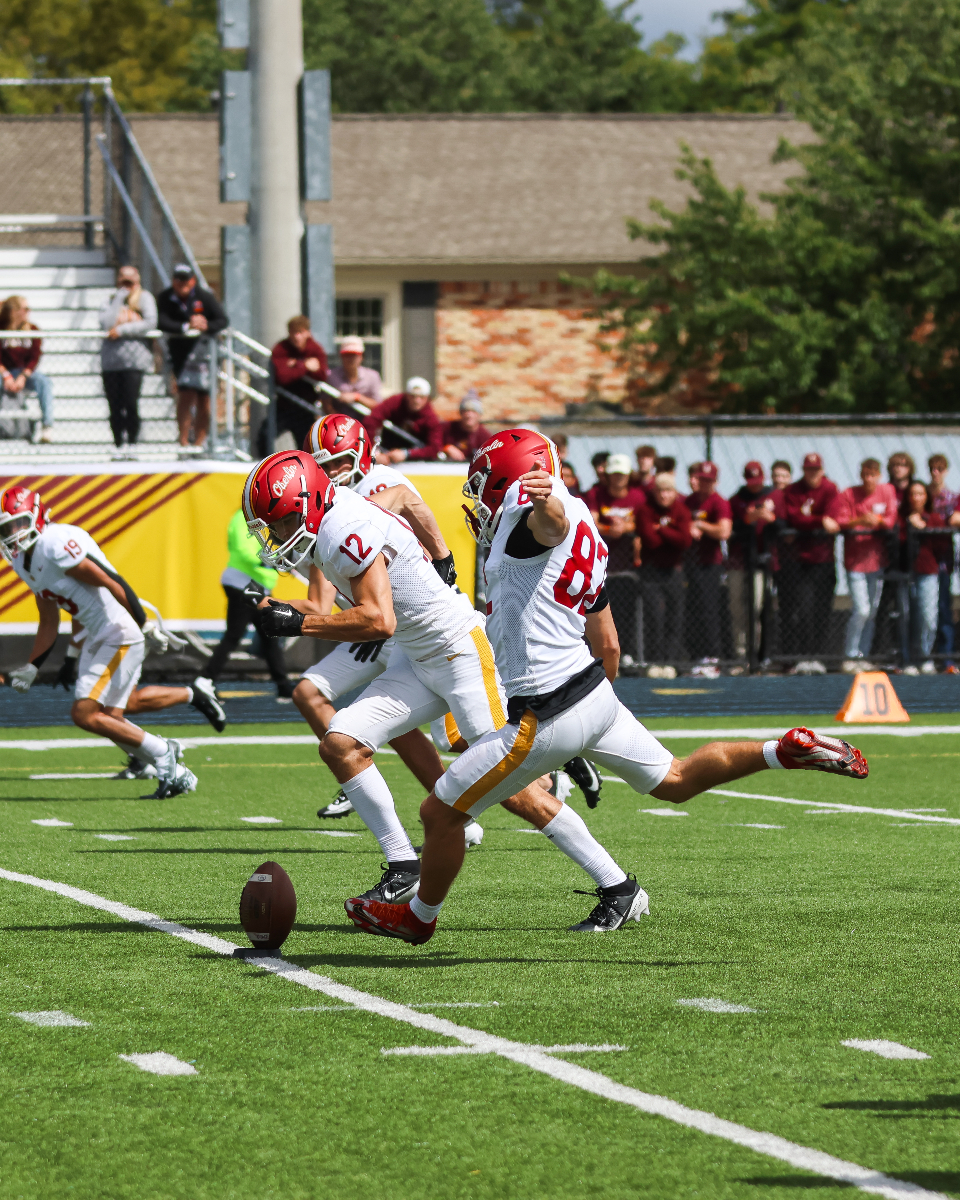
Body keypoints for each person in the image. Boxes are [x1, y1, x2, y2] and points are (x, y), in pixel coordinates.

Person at [342, 429, 869, 947]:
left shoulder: (534, 518)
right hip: (594, 692)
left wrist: (545, 503)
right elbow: (609, 641)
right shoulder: (584, 522)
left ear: (518, 481)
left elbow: (546, 526)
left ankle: (419, 916)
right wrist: (589, 718)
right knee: (676, 780)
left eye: (484, 484)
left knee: (439, 812)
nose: (477, 500)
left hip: (544, 710)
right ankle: (783, 750)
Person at [243, 449, 637, 919]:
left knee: (512, 790)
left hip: (462, 654)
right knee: (341, 743)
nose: (276, 535)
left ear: (306, 504)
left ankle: (618, 886)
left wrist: (298, 625)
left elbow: (379, 620)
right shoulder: (340, 510)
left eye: (280, 521)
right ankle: (403, 864)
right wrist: (441, 555)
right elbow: (406, 500)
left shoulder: (341, 529)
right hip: (421, 657)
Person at [0, 485, 212, 797]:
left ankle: (164, 751)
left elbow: (113, 581)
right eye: (7, 527)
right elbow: (49, 617)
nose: (14, 534)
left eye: (19, 523)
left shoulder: (56, 544)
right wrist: (33, 666)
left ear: (38, 516)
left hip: (118, 630)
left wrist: (145, 623)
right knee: (110, 717)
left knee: (85, 714)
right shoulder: (22, 562)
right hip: (96, 635)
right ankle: (175, 771)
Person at [199, 509, 294, 701]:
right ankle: (205, 681)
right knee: (241, 635)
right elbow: (244, 550)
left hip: (254, 586)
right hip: (244, 584)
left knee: (266, 635)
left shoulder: (262, 519)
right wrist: (270, 562)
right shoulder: (242, 519)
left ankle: (206, 681)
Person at [825, 458, 898, 671]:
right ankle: (850, 655)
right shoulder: (849, 494)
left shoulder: (887, 491)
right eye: (865, 474)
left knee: (873, 610)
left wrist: (877, 521)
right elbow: (841, 521)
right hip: (854, 561)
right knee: (862, 609)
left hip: (877, 561)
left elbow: (890, 519)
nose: (869, 479)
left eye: (872, 474)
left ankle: (862, 655)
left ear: (879, 475)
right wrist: (861, 521)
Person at [155, 264, 228, 456]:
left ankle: (200, 441)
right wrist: (186, 326)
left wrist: (205, 325)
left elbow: (222, 320)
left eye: (186, 280)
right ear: (173, 281)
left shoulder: (204, 296)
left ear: (193, 281)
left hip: (205, 355)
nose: (182, 284)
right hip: (181, 355)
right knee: (185, 396)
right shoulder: (165, 297)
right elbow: (162, 321)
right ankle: (184, 440)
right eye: (178, 280)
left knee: (204, 399)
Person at [780, 453, 839, 673]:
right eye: (808, 469)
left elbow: (832, 517)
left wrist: (814, 521)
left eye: (816, 470)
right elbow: (794, 517)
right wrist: (818, 520)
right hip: (800, 559)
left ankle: (819, 657)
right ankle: (804, 656)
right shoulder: (793, 490)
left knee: (822, 610)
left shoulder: (830, 489)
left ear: (821, 470)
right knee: (803, 609)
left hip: (823, 559)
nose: (812, 474)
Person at [588, 453, 646, 667]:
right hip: (600, 567)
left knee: (627, 613)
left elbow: (643, 522)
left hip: (627, 568)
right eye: (614, 474)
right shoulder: (596, 494)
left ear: (629, 475)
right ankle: (598, 655)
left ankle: (627, 653)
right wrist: (610, 529)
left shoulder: (638, 496)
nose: (618, 478)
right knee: (598, 616)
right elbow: (592, 521)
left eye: (622, 474)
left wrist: (626, 528)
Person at [98, 265, 158, 459]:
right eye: (123, 281)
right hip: (111, 362)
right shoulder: (110, 299)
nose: (126, 285)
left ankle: (132, 443)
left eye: (130, 282)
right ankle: (118, 444)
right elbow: (106, 323)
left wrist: (122, 329)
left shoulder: (144, 298)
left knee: (130, 403)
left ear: (137, 281)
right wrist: (119, 298)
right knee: (114, 405)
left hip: (135, 361)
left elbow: (150, 322)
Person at [636, 473, 692, 676]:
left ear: (675, 492)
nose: (664, 495)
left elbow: (685, 541)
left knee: (675, 616)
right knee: (654, 616)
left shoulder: (682, 510)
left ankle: (670, 662)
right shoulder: (644, 510)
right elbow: (650, 541)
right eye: (660, 490)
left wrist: (662, 529)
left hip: (674, 571)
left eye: (668, 491)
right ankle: (654, 661)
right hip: (651, 571)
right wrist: (671, 532)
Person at [684, 463, 732, 674]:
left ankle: (712, 656)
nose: (704, 484)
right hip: (690, 563)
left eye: (708, 480)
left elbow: (724, 531)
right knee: (691, 610)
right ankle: (696, 655)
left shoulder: (719, 502)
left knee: (709, 609)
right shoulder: (689, 501)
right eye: (701, 480)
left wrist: (702, 526)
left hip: (710, 563)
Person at [728, 462, 777, 661]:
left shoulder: (772, 497)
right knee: (737, 609)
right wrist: (750, 518)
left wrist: (769, 517)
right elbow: (735, 527)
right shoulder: (737, 499)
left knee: (756, 607)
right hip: (740, 559)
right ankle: (741, 653)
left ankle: (755, 654)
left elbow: (780, 526)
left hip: (761, 562)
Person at [899, 481, 947, 674]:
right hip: (905, 573)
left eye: (920, 494)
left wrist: (924, 528)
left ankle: (924, 656)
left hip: (928, 572)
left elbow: (942, 546)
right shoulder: (901, 518)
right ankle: (907, 659)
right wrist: (909, 525)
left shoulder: (934, 518)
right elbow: (895, 544)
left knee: (928, 617)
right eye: (913, 494)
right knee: (906, 616)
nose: (916, 498)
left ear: (926, 497)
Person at [267, 315, 329, 452]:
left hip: (305, 407)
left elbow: (322, 374)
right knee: (265, 437)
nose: (296, 336)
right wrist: (304, 366)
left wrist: (295, 365)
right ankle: (264, 467)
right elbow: (282, 377)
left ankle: (304, 471)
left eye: (300, 332)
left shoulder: (315, 349)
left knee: (307, 446)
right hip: (283, 405)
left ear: (308, 333)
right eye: (293, 332)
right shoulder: (281, 348)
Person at [0, 295, 54, 443]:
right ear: (15, 311)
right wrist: (6, 376)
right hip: (4, 372)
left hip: (24, 372)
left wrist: (23, 377)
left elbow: (35, 357)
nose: (28, 312)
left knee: (44, 382)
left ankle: (47, 426)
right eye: (25, 309)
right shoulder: (2, 328)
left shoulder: (33, 329)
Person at [365, 376, 443, 463]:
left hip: (414, 462)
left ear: (427, 398)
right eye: (413, 396)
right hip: (386, 450)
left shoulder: (430, 417)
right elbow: (371, 420)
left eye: (421, 397)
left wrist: (407, 454)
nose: (417, 400)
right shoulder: (395, 402)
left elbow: (435, 448)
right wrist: (372, 452)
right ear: (406, 395)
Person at [927, 454, 957, 669]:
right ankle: (924, 656)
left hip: (944, 562)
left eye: (940, 468)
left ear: (946, 470)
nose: (936, 472)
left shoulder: (953, 498)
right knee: (923, 611)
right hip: (922, 561)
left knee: (944, 608)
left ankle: (946, 658)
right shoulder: (923, 496)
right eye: (932, 468)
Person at [325, 335, 382, 410]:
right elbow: (326, 404)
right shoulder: (331, 376)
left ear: (361, 356)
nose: (350, 359)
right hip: (340, 420)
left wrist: (357, 397)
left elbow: (378, 405)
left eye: (354, 355)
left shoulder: (372, 376)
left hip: (365, 421)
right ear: (341, 356)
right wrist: (338, 420)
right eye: (347, 355)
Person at [441, 391, 491, 461]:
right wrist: (447, 447)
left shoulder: (485, 437)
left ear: (479, 415)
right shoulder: (448, 428)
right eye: (466, 411)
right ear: (461, 413)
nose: (469, 415)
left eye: (473, 411)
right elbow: (432, 444)